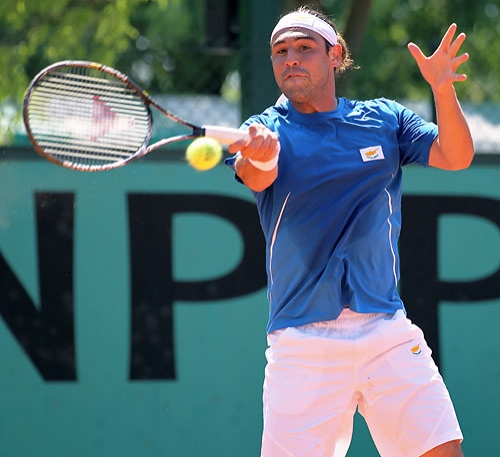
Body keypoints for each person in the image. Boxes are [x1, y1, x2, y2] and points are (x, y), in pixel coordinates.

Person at [226, 6, 474, 457]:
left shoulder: (385, 119)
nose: (291, 59)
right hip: (302, 341)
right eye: (280, 51)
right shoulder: (264, 129)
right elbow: (256, 175)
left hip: (385, 329)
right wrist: (257, 154)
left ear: (335, 55)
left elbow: (456, 156)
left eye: (304, 48)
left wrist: (442, 90)